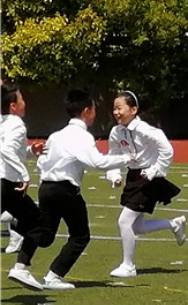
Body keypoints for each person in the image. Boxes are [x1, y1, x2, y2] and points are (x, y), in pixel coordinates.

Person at [7, 89, 134, 291]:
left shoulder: (56, 135)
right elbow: (97, 162)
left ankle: (21, 260)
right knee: (80, 235)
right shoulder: (82, 136)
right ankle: (53, 276)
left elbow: (42, 162)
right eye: (93, 109)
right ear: (86, 111)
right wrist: (127, 159)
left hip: (46, 187)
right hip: (65, 190)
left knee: (45, 234)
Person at [106, 91, 186, 278]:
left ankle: (128, 265)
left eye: (120, 108)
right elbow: (113, 155)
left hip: (148, 179)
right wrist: (114, 175)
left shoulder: (145, 130)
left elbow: (167, 149)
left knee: (124, 221)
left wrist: (155, 170)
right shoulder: (116, 132)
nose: (116, 112)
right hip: (133, 177)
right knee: (137, 227)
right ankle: (174, 224)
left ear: (133, 110)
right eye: (114, 109)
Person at [1, 84, 43, 256]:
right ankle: (21, 265)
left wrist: (30, 151)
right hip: (7, 183)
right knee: (36, 222)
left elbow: (12, 151)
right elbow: (5, 150)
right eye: (22, 99)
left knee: (33, 219)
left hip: (7, 183)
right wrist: (25, 175)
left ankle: (21, 263)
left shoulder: (3, 122)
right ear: (13, 106)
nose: (24, 103)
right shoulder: (17, 124)